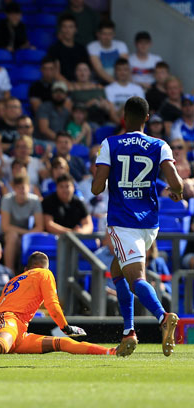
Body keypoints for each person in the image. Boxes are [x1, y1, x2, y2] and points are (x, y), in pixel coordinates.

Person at [91, 96, 183, 357]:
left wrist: (103, 175)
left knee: (135, 278)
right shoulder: (160, 144)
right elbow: (176, 184)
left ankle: (162, 317)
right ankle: (128, 332)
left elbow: (97, 187)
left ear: (123, 116)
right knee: (116, 269)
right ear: (147, 117)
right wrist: (176, 192)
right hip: (150, 224)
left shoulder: (111, 143)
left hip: (123, 222)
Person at [0, 175, 43, 269]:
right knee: (12, 237)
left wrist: (26, 236)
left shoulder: (35, 200)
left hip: (25, 235)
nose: (21, 190)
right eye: (18, 187)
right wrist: (26, 234)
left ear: (29, 187)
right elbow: (5, 226)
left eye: (23, 187)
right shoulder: (6, 199)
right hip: (7, 235)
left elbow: (40, 227)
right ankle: (9, 273)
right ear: (14, 189)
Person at [46, 14, 90, 82]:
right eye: (64, 27)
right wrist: (69, 85)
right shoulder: (54, 49)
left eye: (71, 27)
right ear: (60, 29)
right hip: (61, 85)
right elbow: (54, 73)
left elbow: (86, 71)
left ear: (76, 29)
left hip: (79, 84)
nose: (67, 30)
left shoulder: (81, 49)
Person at [87, 20, 128, 85]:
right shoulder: (92, 46)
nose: (107, 37)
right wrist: (116, 84)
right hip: (100, 83)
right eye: (104, 34)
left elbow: (124, 68)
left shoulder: (121, 45)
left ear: (114, 34)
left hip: (119, 82)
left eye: (110, 34)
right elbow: (99, 69)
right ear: (98, 34)